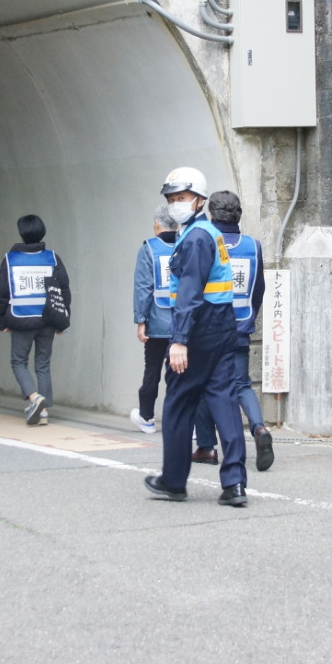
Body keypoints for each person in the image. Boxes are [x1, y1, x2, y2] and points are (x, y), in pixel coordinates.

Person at [143, 167, 248, 506]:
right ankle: (234, 484)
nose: (176, 204)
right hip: (221, 327)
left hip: (199, 330)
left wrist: (178, 340)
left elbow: (189, 292)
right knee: (223, 400)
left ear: (200, 200)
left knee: (177, 402)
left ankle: (173, 481)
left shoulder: (196, 238)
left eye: (182, 198)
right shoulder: (206, 232)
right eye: (172, 199)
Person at [189, 190, 274, 471]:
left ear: (211, 214)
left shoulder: (205, 241)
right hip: (240, 327)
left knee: (202, 385)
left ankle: (206, 447)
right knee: (241, 384)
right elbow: (258, 289)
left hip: (208, 330)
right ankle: (260, 429)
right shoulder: (253, 246)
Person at [0, 214, 71, 427]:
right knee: (43, 364)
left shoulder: (11, 259)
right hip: (47, 321)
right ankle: (43, 412)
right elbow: (64, 290)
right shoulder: (52, 258)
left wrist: (2, 322)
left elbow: (1, 293)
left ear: (22, 234)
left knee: (18, 361)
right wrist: (63, 320)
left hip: (21, 319)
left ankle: (34, 398)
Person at [129, 204, 179, 434]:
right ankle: (181, 420)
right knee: (180, 373)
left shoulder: (149, 248)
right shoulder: (186, 244)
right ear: (177, 224)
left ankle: (147, 417)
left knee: (152, 370)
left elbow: (143, 288)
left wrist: (141, 321)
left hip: (157, 324)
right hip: (183, 323)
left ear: (157, 224)